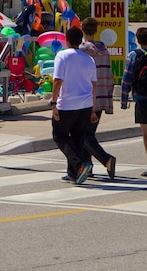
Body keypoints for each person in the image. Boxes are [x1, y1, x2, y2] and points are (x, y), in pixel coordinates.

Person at [51, 27, 97, 185]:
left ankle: (79, 165)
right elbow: (93, 84)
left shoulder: (62, 56)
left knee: (60, 136)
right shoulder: (88, 58)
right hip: (85, 104)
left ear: (66, 40)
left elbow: (57, 80)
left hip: (67, 104)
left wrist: (53, 102)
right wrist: (92, 108)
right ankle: (73, 174)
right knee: (77, 138)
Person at [79, 17, 117, 179]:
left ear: (82, 30)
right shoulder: (104, 50)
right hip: (102, 96)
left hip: (87, 97)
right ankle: (88, 168)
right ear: (96, 31)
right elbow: (109, 76)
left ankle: (106, 159)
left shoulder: (82, 51)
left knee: (83, 135)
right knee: (88, 133)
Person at [121, 27, 147, 178]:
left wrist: (124, 101)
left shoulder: (134, 55)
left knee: (146, 134)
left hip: (142, 97)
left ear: (137, 40)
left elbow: (127, 79)